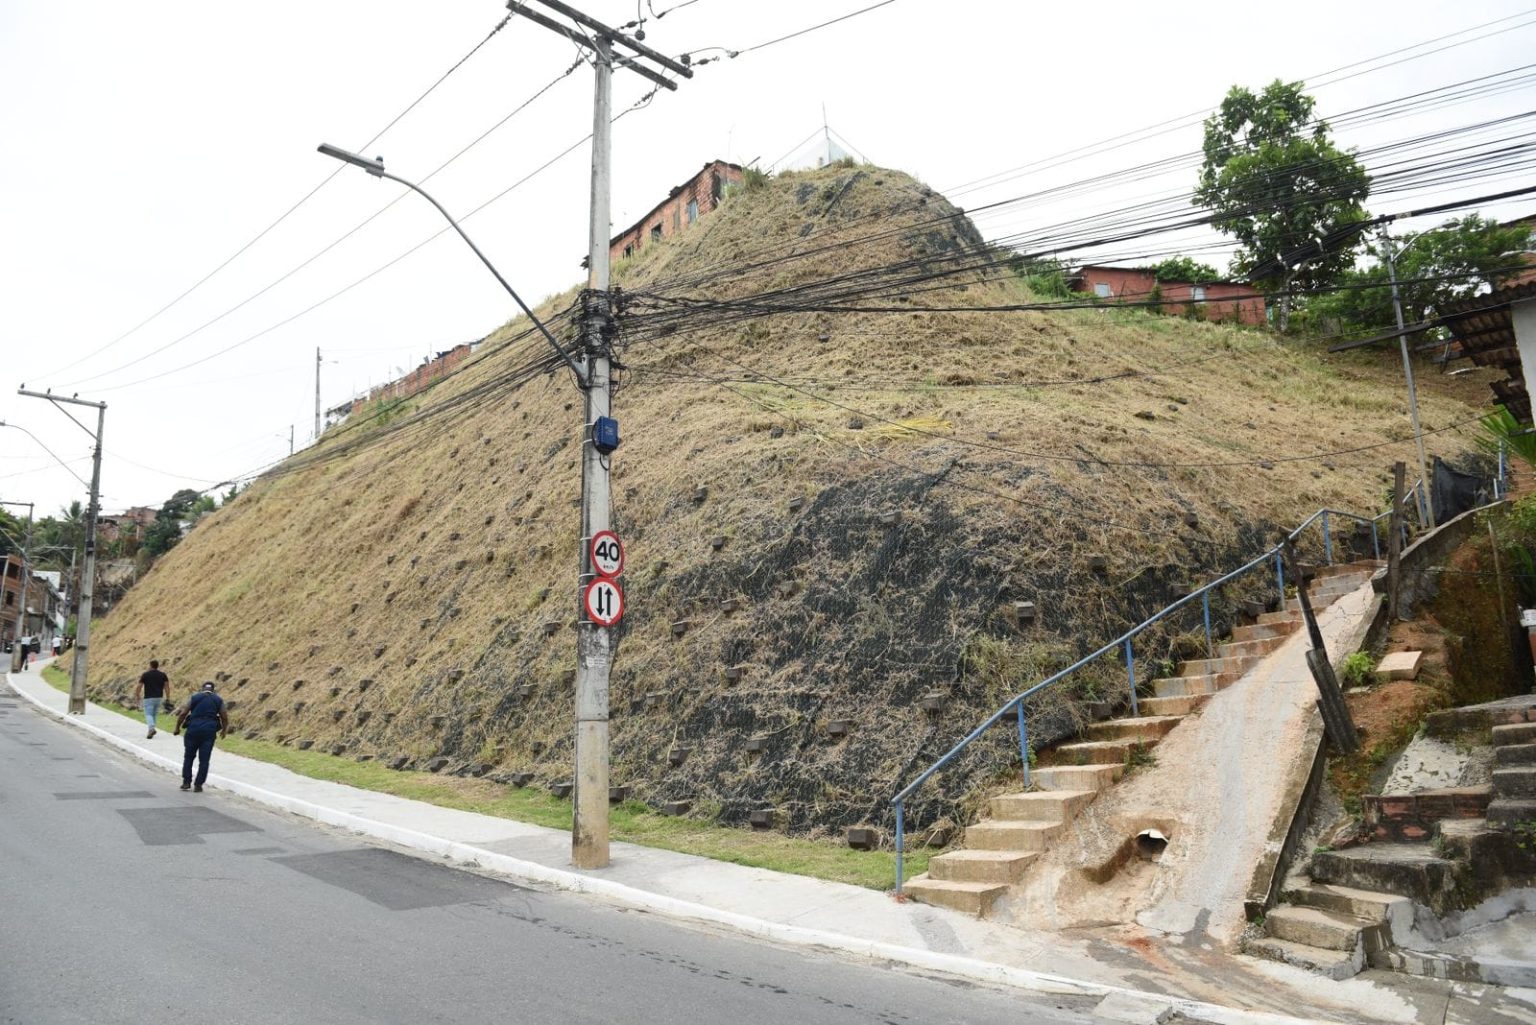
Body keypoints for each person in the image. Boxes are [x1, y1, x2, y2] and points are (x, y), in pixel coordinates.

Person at [173, 681, 227, 793]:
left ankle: (186, 782)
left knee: (188, 757)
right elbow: (224, 716)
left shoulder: (194, 697)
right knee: (204, 760)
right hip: (209, 732)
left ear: (202, 689)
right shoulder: (218, 700)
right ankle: (198, 785)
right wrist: (224, 730)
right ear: (213, 690)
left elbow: (183, 713)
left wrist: (177, 727)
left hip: (193, 730)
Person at [133, 659, 172, 739]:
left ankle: (151, 728)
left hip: (149, 697)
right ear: (157, 666)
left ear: (150, 666)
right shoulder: (163, 675)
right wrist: (168, 697)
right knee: (154, 714)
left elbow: (139, 686)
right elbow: (167, 687)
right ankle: (151, 729)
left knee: (148, 714)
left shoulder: (145, 674)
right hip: (159, 698)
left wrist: (137, 695)